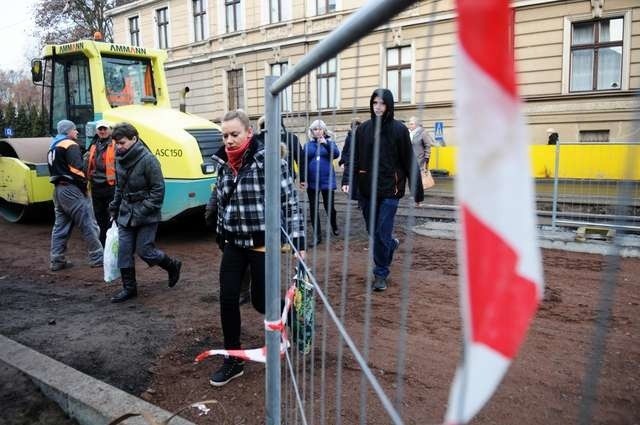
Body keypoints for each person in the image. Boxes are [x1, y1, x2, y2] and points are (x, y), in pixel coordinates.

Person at [204, 109, 306, 386]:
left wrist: (298, 241)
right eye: (225, 135)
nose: (229, 140)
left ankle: (292, 316)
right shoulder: (223, 162)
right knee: (227, 298)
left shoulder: (270, 161)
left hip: (262, 242)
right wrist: (220, 231)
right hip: (234, 243)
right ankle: (233, 359)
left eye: (234, 134)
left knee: (262, 302)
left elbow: (290, 203)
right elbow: (223, 200)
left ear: (249, 133)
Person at [341, 89, 424, 292]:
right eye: (375, 103)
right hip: (367, 190)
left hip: (391, 190)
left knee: (381, 231)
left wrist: (417, 192)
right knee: (374, 232)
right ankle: (390, 245)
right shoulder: (363, 130)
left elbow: (409, 161)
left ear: (389, 106)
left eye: (382, 103)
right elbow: (354, 158)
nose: (378, 107)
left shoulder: (399, 130)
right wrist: (347, 180)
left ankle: (380, 273)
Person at [108, 122, 182, 303]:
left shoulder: (148, 159)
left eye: (122, 142)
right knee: (124, 251)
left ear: (135, 139)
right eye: (116, 143)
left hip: (146, 213)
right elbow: (120, 187)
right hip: (125, 212)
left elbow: (158, 190)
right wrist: (114, 207)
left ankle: (172, 265)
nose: (119, 146)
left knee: (145, 251)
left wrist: (143, 210)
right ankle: (129, 289)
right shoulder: (119, 159)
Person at [48, 119, 104, 271]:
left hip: (58, 190)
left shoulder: (53, 145)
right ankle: (98, 258)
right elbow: (77, 170)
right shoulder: (70, 145)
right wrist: (84, 187)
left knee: (60, 226)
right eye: (74, 129)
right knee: (88, 223)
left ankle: (57, 260)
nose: (77, 132)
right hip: (71, 189)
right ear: (67, 131)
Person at [300, 119, 340, 246]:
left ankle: (334, 225)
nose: (318, 131)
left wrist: (325, 144)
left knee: (330, 207)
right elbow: (303, 163)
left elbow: (336, 154)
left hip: (327, 181)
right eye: (315, 129)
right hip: (312, 182)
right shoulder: (308, 145)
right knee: (313, 208)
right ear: (311, 132)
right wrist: (303, 179)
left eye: (320, 129)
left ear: (324, 130)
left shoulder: (330, 143)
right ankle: (317, 236)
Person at [85, 119, 116, 245]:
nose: (102, 131)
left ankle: (111, 241)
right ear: (97, 131)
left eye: (105, 129)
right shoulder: (93, 144)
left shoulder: (115, 144)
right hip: (96, 186)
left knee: (111, 215)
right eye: (100, 129)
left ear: (110, 130)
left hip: (110, 185)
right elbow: (88, 163)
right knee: (99, 216)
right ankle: (103, 242)